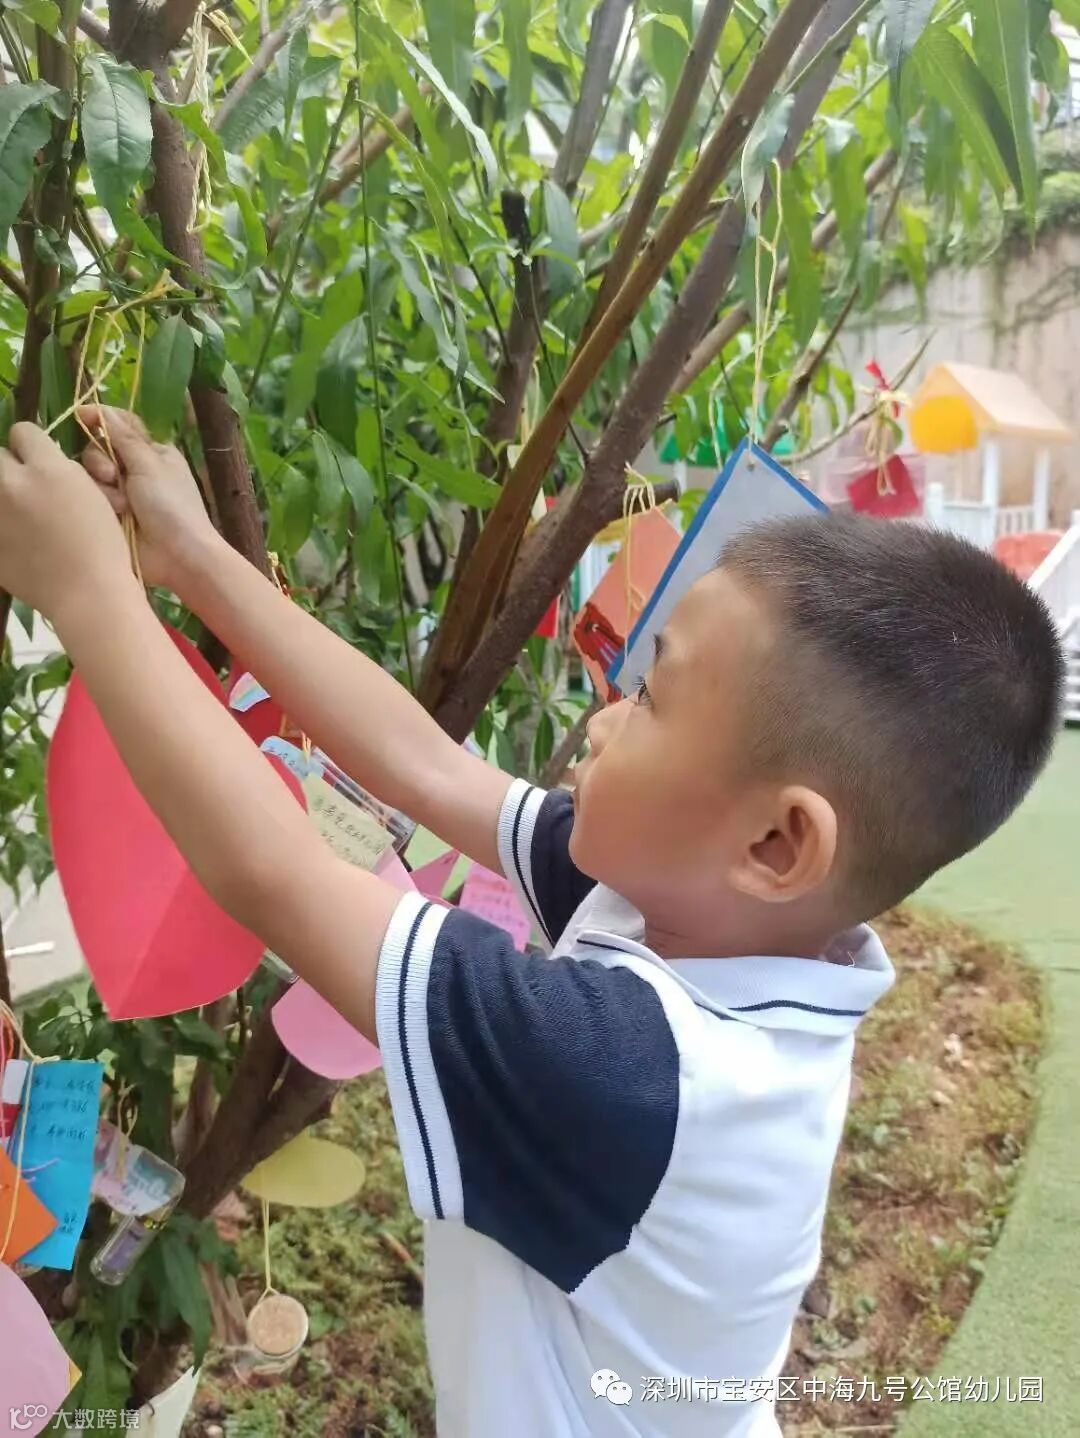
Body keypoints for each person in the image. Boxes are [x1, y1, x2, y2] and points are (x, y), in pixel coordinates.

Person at [0, 413, 1064, 1437]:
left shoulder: (631, 1076)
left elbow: (272, 874)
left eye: (651, 698)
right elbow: (427, 766)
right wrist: (188, 556)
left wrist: (89, 593)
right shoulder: (699, 914)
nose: (603, 716)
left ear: (778, 845)